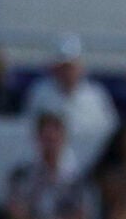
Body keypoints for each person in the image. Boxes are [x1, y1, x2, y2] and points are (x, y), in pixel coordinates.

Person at [25, 35, 118, 173]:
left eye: (70, 66)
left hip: (91, 165)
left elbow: (110, 130)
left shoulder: (96, 96)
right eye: (62, 67)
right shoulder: (40, 93)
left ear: (80, 66)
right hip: (49, 169)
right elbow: (30, 128)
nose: (67, 72)